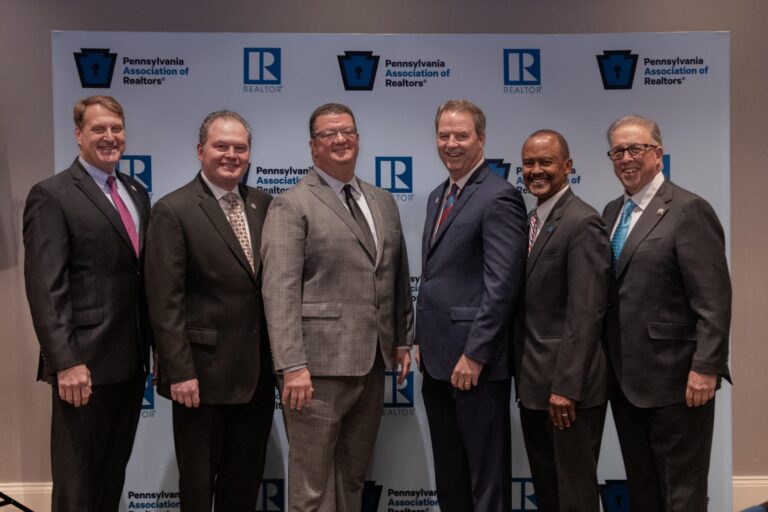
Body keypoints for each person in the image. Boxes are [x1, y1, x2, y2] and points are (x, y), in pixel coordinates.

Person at [260, 102, 413, 512]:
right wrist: (291, 364)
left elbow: (397, 277)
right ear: (313, 147)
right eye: (329, 134)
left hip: (371, 364)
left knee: (353, 476)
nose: (340, 139)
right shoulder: (292, 204)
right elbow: (280, 290)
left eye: (347, 131)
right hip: (315, 371)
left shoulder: (382, 201)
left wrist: (401, 339)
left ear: (358, 139)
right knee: (311, 485)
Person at [23, 95, 152, 511]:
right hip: (83, 367)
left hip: (131, 363)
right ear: (78, 134)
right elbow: (46, 287)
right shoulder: (52, 194)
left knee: (111, 477)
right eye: (99, 129)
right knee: (78, 485)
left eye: (116, 128)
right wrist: (66, 362)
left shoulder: (136, 190)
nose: (109, 137)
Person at [144, 110, 274, 512]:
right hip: (200, 379)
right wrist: (179, 371)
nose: (231, 155)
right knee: (199, 490)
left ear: (250, 155)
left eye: (240, 148)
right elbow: (165, 301)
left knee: (243, 484)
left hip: (256, 377)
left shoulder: (265, 205)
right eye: (221, 146)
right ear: (201, 151)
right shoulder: (174, 210)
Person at [603, 114, 732, 511]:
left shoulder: (689, 209)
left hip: (679, 383)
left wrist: (706, 368)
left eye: (636, 148)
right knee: (645, 493)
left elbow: (713, 299)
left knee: (681, 495)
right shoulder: (611, 213)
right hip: (625, 383)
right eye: (618, 151)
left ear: (658, 154)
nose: (626, 158)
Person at [415, 99, 526, 512]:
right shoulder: (437, 196)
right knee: (452, 478)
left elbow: (502, 285)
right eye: (444, 135)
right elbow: (436, 279)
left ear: (481, 139)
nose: (451, 143)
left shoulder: (499, 197)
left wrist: (476, 354)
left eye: (461, 135)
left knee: (485, 482)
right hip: (439, 364)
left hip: (474, 365)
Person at [514, 130, 610, 511]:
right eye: (529, 163)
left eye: (546, 162)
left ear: (567, 166)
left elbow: (586, 312)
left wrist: (566, 387)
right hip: (533, 385)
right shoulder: (531, 220)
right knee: (549, 491)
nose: (536, 170)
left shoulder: (582, 221)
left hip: (568, 391)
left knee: (574, 495)